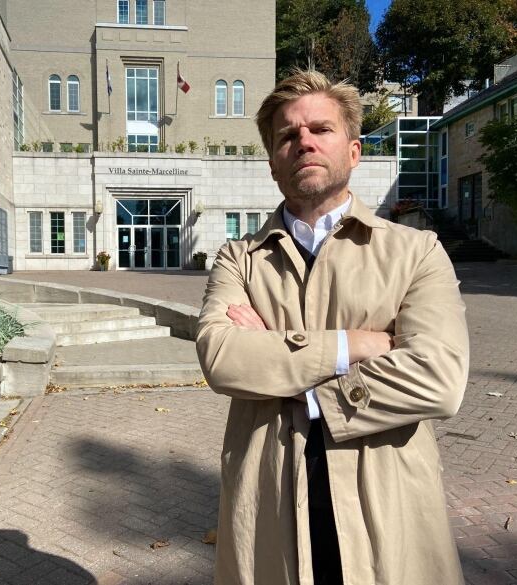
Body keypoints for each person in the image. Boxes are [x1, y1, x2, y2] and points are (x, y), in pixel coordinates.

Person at [196, 70, 469, 585]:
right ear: (273, 161)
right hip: (270, 494)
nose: (303, 142)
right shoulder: (239, 259)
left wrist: (301, 382)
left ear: (354, 151)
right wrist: (358, 345)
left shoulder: (416, 252)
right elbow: (221, 357)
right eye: (286, 136)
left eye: (320, 129)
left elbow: (439, 379)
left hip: (384, 500)